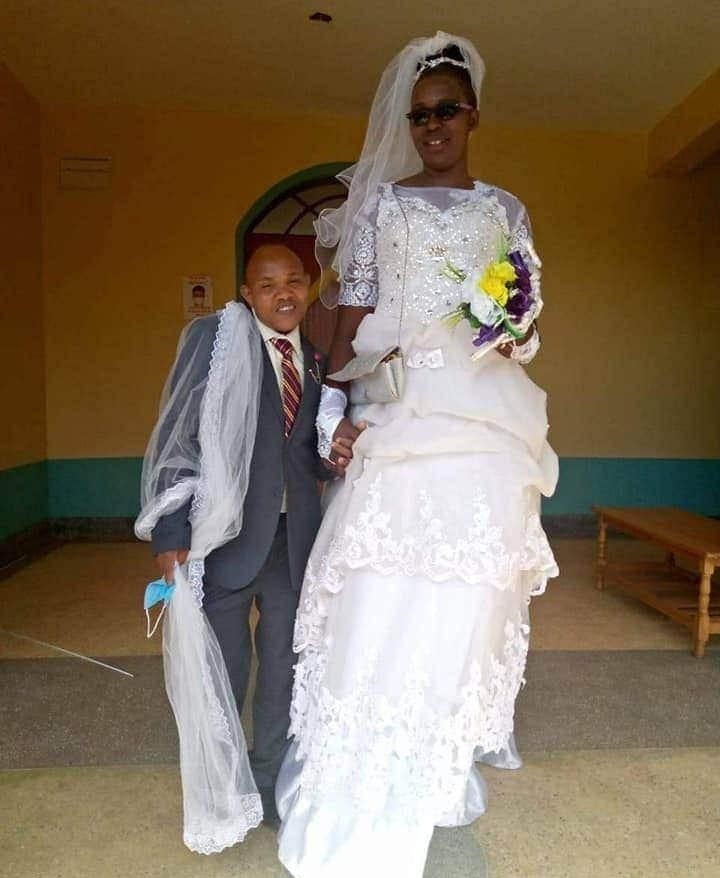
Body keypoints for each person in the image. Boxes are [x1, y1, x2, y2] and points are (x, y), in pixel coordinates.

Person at [276, 33, 559, 877]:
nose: (432, 126)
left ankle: (435, 750)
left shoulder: (504, 212)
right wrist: (333, 406)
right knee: (381, 580)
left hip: (484, 417)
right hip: (401, 410)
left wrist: (512, 330)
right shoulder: (380, 210)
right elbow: (350, 316)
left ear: (473, 116)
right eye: (420, 115)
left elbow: (526, 322)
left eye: (447, 111)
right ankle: (365, 751)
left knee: (468, 589)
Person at [138, 244, 334, 840]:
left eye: (294, 281)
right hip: (224, 540)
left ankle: (271, 781)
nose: (283, 294)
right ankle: (225, 790)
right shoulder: (216, 342)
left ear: (309, 287)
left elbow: (308, 456)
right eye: (267, 285)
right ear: (247, 294)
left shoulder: (317, 360)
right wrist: (170, 533)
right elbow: (179, 435)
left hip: (293, 543)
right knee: (224, 668)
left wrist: (340, 451)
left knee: (283, 670)